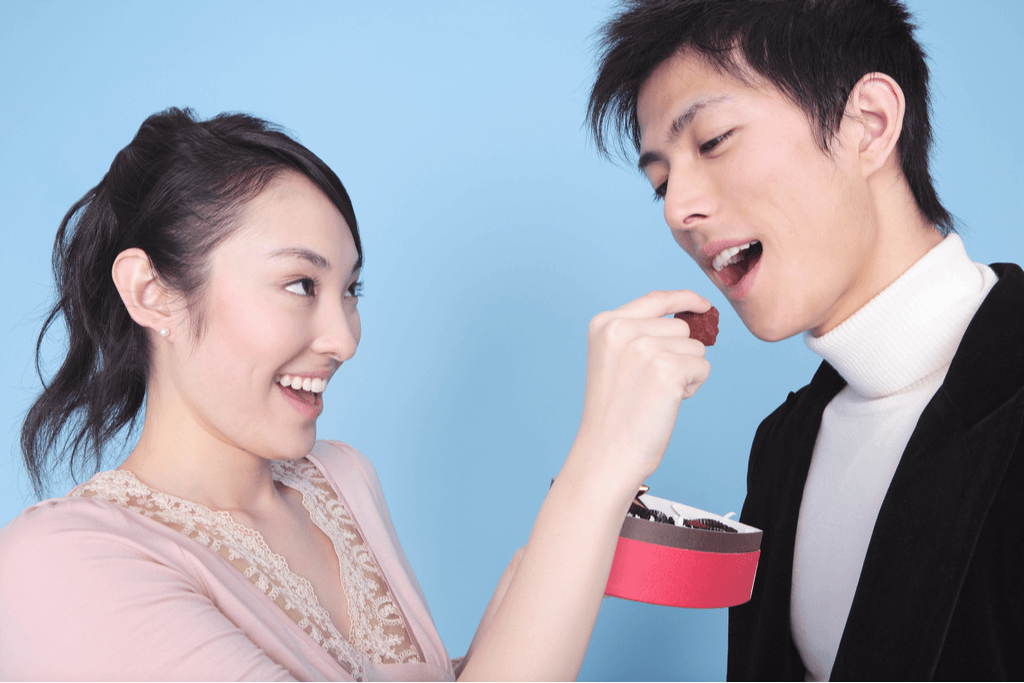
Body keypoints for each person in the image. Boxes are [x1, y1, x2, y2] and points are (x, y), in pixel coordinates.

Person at [0, 108, 713, 680]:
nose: (343, 337)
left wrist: (601, 498)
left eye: (351, 290)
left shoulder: (339, 480)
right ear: (152, 293)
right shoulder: (59, 562)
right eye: (300, 285)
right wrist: (599, 462)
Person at [587, 0, 1022, 680]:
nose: (677, 210)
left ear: (868, 125)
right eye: (661, 182)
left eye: (712, 141)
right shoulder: (783, 445)